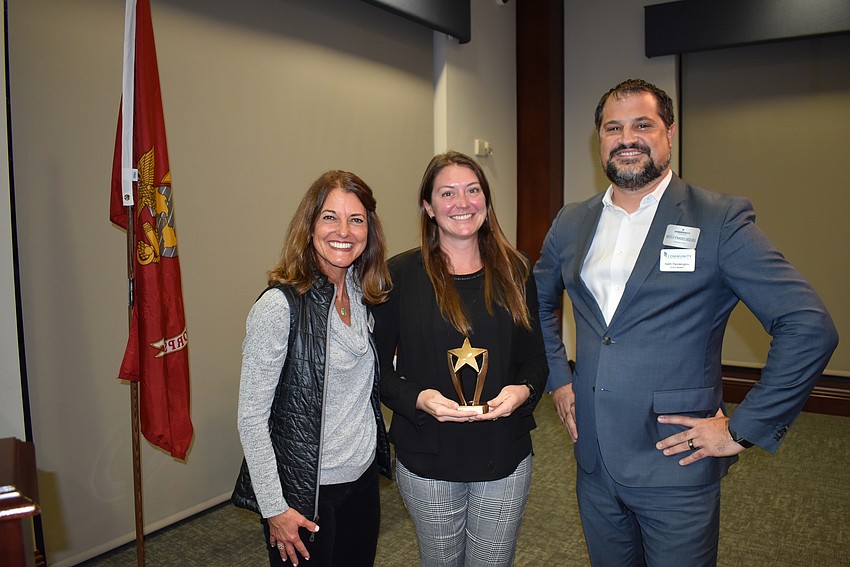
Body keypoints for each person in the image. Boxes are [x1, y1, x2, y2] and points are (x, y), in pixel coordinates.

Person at [534, 78, 839, 566]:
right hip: (593, 460)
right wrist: (559, 379)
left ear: (669, 133)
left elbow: (808, 326)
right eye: (613, 128)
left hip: (675, 461)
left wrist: (741, 429)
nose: (626, 138)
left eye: (642, 125)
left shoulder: (718, 219)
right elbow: (536, 303)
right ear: (600, 140)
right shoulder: (572, 221)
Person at [373, 151, 548, 567]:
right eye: (447, 193)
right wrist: (419, 399)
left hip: (502, 452)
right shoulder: (399, 276)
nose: (463, 203)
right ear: (428, 207)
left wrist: (522, 391)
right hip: (428, 454)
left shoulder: (517, 270)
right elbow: (376, 371)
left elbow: (536, 358)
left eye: (473, 191)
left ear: (486, 202)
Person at [232, 170, 392, 567]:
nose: (345, 231)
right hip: (304, 494)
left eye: (356, 220)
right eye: (330, 217)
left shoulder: (363, 292)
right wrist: (274, 508)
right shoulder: (279, 307)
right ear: (309, 226)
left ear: (369, 230)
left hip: (362, 482)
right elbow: (252, 418)